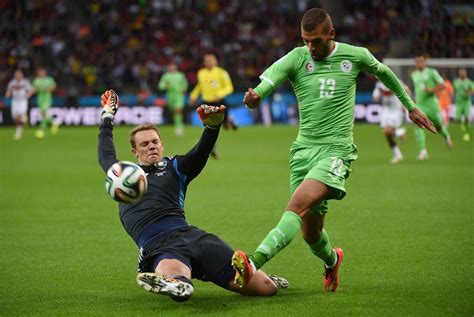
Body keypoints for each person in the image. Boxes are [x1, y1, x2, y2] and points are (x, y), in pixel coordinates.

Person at [231, 8, 436, 292]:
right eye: (306, 41)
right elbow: (269, 80)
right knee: (310, 234)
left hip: (336, 151)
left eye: (316, 41)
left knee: (296, 207)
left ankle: (253, 262)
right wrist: (256, 96)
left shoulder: (355, 55)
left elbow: (385, 73)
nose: (311, 47)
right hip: (302, 152)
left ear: (331, 34)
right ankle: (332, 260)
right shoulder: (297, 57)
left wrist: (410, 106)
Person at [98, 90, 287, 302]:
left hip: (192, 236)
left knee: (266, 289)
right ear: (134, 151)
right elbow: (105, 153)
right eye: (144, 144)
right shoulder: (122, 175)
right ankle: (175, 283)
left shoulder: (175, 167)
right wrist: (107, 117)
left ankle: (258, 275)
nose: (151, 146)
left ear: (162, 145)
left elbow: (200, 153)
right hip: (158, 244)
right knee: (179, 281)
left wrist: (213, 127)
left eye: (154, 142)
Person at [189, 52, 236, 158]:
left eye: (210, 60)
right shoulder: (201, 73)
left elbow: (229, 87)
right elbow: (199, 86)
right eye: (206, 60)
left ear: (216, 61)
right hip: (206, 103)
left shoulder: (222, 73)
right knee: (208, 127)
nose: (208, 62)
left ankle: (230, 120)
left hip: (219, 102)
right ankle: (212, 147)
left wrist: (220, 94)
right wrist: (193, 96)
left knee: (226, 127)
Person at [411, 54, 452, 160]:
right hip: (420, 105)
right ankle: (423, 150)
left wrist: (431, 90)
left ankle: (446, 136)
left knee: (438, 126)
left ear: (425, 62)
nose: (419, 64)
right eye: (417, 61)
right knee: (418, 125)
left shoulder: (432, 72)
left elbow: (442, 85)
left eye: (421, 61)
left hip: (432, 106)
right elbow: (417, 89)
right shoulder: (414, 74)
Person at [372, 81, 409, 164]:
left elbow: (407, 90)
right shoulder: (379, 84)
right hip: (386, 111)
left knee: (387, 131)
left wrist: (405, 103)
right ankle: (399, 134)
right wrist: (377, 96)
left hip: (396, 110)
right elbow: (375, 96)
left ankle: (399, 134)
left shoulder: (396, 81)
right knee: (387, 134)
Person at [158, 62, 188, 136]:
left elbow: (185, 83)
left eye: (173, 66)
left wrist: (184, 88)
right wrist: (165, 86)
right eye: (170, 66)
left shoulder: (180, 75)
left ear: (175, 67)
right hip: (170, 96)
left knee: (178, 110)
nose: (171, 68)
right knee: (174, 111)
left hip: (179, 96)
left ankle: (179, 127)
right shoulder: (166, 76)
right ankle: (176, 124)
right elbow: (160, 86)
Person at [5, 69, 33, 140]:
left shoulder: (25, 82)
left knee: (20, 116)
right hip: (15, 101)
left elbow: (31, 90)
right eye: (16, 75)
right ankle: (24, 120)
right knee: (15, 118)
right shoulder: (12, 82)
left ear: (22, 75)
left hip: (23, 101)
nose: (18, 76)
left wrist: (28, 94)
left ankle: (18, 132)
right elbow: (9, 90)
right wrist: (7, 94)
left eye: (19, 75)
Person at [31, 67, 58, 138]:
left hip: (47, 98)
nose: (41, 73)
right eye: (39, 72)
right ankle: (53, 122)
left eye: (42, 72)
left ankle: (41, 128)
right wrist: (30, 93)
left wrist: (47, 89)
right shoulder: (36, 81)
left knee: (44, 112)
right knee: (43, 114)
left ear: (45, 72)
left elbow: (53, 87)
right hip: (40, 99)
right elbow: (34, 89)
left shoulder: (49, 79)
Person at [453, 68, 474, 142]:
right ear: (459, 73)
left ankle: (466, 133)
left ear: (466, 73)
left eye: (463, 72)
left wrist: (469, 92)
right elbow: (454, 90)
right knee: (457, 119)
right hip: (459, 103)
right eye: (461, 72)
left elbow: (472, 91)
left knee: (466, 118)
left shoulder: (469, 82)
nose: (462, 74)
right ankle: (464, 127)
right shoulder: (456, 82)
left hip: (466, 102)